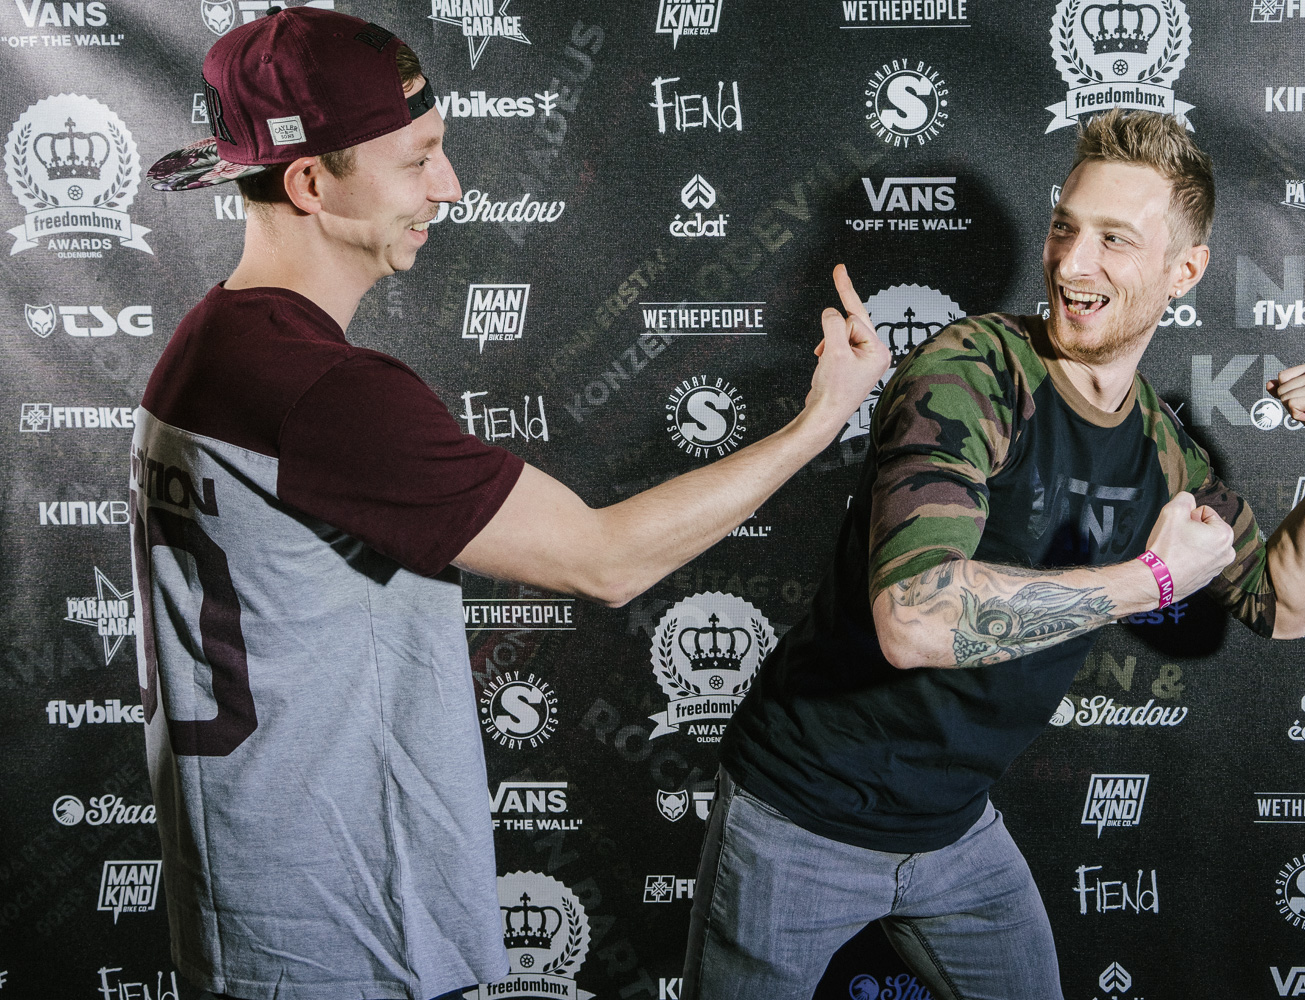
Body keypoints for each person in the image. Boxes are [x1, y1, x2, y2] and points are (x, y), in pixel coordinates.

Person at [132, 9, 888, 1000]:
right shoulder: (323, 391)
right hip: (340, 939)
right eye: (418, 161)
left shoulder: (210, 345)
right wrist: (816, 422)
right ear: (313, 182)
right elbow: (606, 559)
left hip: (257, 913)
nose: (447, 188)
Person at [688, 108, 1305, 1000]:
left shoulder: (1164, 451)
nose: (1072, 264)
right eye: (1065, 228)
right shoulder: (973, 371)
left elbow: (1284, 606)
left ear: (1183, 270)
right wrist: (1150, 581)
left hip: (956, 834)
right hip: (801, 820)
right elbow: (914, 619)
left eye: (1115, 240)